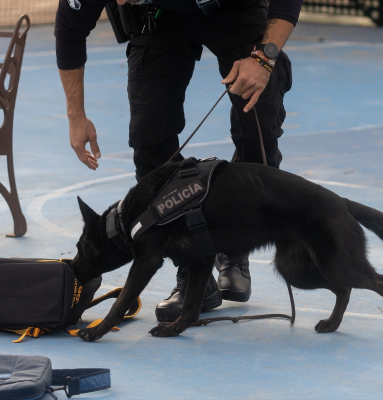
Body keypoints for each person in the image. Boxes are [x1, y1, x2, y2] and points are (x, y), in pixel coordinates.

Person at [55, 0, 303, 323]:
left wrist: (266, 57)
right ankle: (192, 273)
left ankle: (234, 247)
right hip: (162, 17)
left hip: (235, 10)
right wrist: (76, 116)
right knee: (149, 139)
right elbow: (70, 29)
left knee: (259, 131)